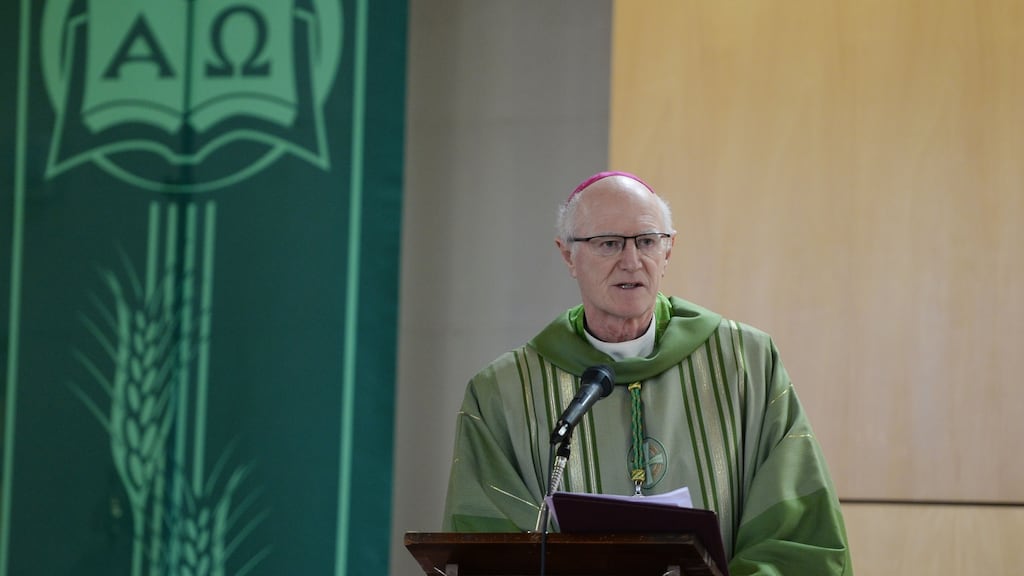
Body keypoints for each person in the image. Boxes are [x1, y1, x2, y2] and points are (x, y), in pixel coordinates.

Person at [442, 171, 852, 575]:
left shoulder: (747, 365)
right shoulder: (505, 392)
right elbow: (488, 543)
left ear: (668, 252)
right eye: (608, 244)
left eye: (647, 241)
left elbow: (797, 534)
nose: (632, 261)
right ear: (568, 254)